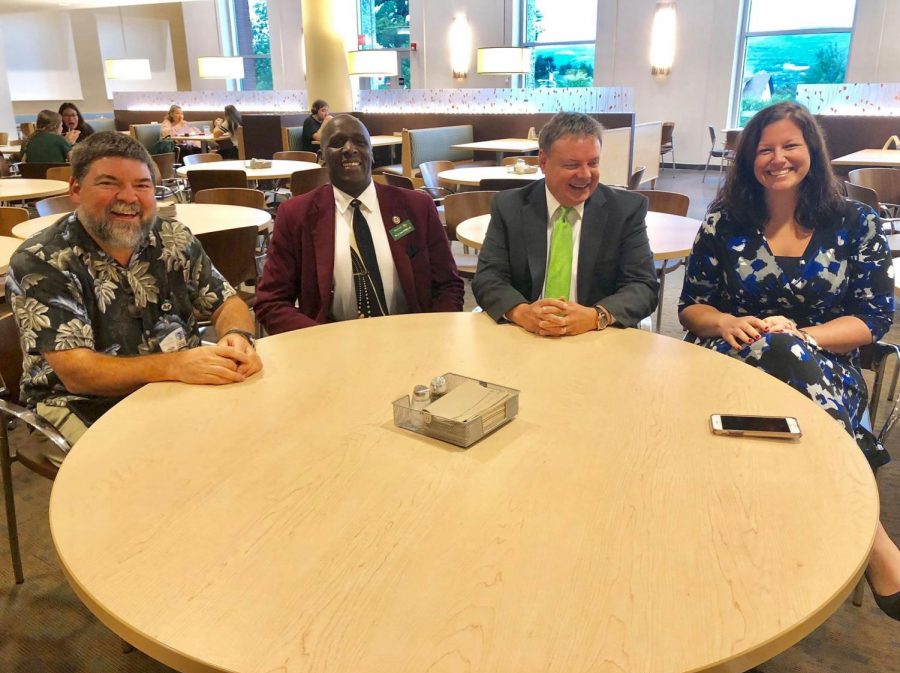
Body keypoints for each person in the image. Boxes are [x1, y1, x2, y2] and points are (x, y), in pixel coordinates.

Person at [678, 101, 900, 621]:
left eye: (790, 146)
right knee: (775, 350)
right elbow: (691, 307)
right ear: (749, 160)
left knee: (786, 351)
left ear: (812, 152)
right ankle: (870, 536)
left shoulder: (857, 223)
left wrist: (803, 337)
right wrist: (725, 323)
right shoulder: (724, 223)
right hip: (727, 359)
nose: (777, 158)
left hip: (827, 364)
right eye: (765, 150)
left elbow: (872, 320)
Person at [5, 131, 262, 464]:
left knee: (252, 430)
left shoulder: (172, 237)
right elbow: (77, 373)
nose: (129, 197)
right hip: (78, 400)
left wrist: (236, 336)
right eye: (109, 183)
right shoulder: (42, 259)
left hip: (173, 383)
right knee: (150, 469)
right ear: (75, 190)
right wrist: (176, 365)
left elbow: (227, 302)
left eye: (142, 185)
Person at [255, 114, 464, 333]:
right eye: (336, 143)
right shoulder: (296, 215)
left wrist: (433, 334)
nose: (349, 149)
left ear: (371, 153)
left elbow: (449, 285)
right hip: (332, 347)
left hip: (413, 338)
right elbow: (271, 302)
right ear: (322, 156)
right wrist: (322, 339)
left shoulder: (417, 207)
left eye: (359, 142)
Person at [472, 111, 658, 336]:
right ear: (543, 161)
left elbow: (643, 286)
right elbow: (488, 277)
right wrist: (521, 312)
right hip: (524, 335)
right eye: (572, 165)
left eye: (593, 163)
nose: (585, 175)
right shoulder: (509, 206)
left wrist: (596, 316)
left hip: (596, 337)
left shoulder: (625, 210)